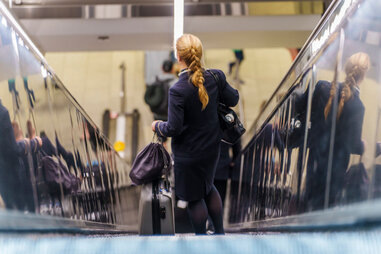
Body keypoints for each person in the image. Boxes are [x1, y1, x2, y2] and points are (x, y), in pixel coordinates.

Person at [151, 34, 239, 234]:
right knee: (208, 188)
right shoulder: (216, 77)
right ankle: (219, 233)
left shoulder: (178, 90)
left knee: (193, 197)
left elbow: (173, 128)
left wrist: (157, 125)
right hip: (211, 149)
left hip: (188, 155)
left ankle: (200, 238)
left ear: (178, 56)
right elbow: (234, 99)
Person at [304, 52, 370, 211]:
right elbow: (353, 145)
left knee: (308, 208)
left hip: (315, 162)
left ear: (347, 67)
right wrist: (365, 146)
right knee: (324, 211)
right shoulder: (357, 107)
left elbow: (306, 113)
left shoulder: (322, 88)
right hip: (336, 172)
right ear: (364, 75)